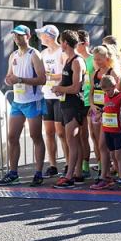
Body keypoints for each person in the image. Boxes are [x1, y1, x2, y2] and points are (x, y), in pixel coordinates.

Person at [0, 25, 47, 187]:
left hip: (33, 100)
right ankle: (13, 173)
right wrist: (8, 80)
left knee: (35, 136)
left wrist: (20, 80)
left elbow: (42, 79)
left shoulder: (34, 54)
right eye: (15, 36)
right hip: (18, 101)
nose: (17, 38)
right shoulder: (13, 55)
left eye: (20, 35)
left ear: (28, 36)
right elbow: (9, 75)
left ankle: (38, 172)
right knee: (12, 137)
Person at [51, 30, 86, 188]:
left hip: (74, 105)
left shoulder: (77, 61)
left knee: (72, 141)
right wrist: (59, 88)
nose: (60, 45)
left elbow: (76, 87)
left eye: (61, 42)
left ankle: (69, 176)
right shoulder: (68, 59)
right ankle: (77, 173)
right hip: (67, 104)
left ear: (65, 42)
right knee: (74, 141)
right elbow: (67, 84)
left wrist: (60, 89)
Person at [91, 75, 121, 190]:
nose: (107, 93)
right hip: (108, 129)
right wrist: (99, 115)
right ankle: (115, 176)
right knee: (112, 154)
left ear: (114, 86)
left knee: (119, 155)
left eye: (109, 90)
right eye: (105, 91)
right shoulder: (105, 96)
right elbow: (106, 108)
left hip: (119, 130)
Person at [37, 24, 65, 178]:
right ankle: (53, 165)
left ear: (49, 36)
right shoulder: (43, 53)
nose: (40, 37)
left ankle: (68, 163)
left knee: (61, 133)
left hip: (60, 96)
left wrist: (49, 76)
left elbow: (65, 74)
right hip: (47, 95)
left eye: (42, 34)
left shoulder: (62, 51)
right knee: (48, 132)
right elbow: (42, 74)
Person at [88, 46, 119, 184]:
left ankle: (108, 173)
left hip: (109, 113)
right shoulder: (94, 73)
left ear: (107, 58)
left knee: (103, 144)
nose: (97, 62)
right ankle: (103, 170)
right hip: (97, 111)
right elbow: (91, 92)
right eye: (95, 59)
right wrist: (92, 105)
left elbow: (118, 94)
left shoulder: (113, 73)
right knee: (97, 141)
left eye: (99, 59)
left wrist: (105, 109)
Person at [77, 30, 93, 180]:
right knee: (82, 135)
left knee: (95, 136)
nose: (80, 45)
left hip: (92, 101)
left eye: (82, 42)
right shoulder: (75, 59)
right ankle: (84, 165)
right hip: (79, 101)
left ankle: (101, 166)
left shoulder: (93, 59)